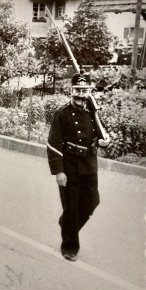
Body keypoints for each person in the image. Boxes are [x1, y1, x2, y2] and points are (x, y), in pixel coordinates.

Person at [47, 71, 109, 262]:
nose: (81, 95)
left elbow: (100, 134)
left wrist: (104, 141)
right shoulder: (62, 113)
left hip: (89, 164)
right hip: (70, 164)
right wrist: (58, 171)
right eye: (77, 90)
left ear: (89, 91)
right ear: (71, 91)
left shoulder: (93, 112)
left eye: (85, 90)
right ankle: (70, 247)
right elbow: (53, 143)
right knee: (72, 208)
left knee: (92, 202)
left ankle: (66, 224)